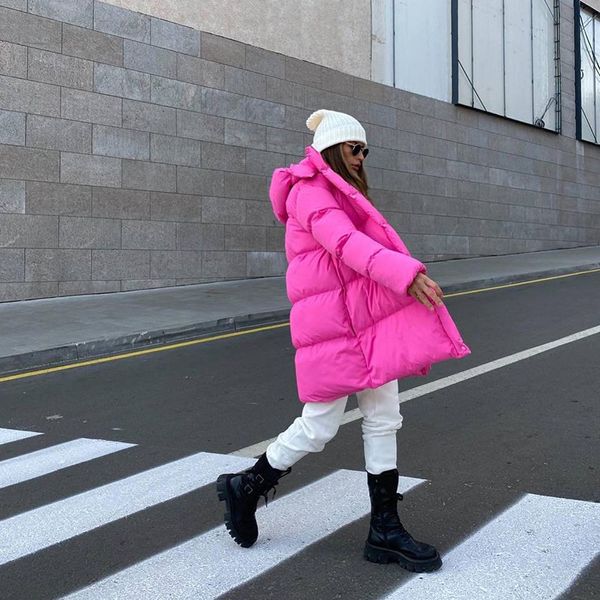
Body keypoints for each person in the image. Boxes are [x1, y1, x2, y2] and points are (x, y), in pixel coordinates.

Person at [216, 109, 471, 573]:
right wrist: (406, 276)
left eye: (365, 151)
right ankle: (245, 487)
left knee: (383, 418)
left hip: (364, 326)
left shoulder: (338, 193)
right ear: (335, 148)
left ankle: (385, 530)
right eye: (355, 148)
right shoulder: (309, 193)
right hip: (335, 328)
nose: (361, 158)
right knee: (319, 424)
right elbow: (347, 244)